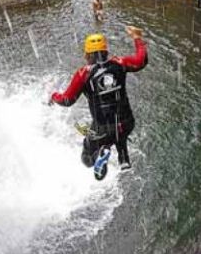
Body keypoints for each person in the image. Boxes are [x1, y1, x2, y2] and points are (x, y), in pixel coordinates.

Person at [49, 26, 148, 174]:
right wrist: (137, 38)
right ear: (106, 52)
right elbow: (142, 60)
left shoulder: (83, 74)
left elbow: (67, 100)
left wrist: (53, 96)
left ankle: (99, 154)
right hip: (126, 122)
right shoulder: (120, 63)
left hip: (102, 129)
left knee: (87, 157)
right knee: (119, 134)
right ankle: (123, 159)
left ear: (87, 55)